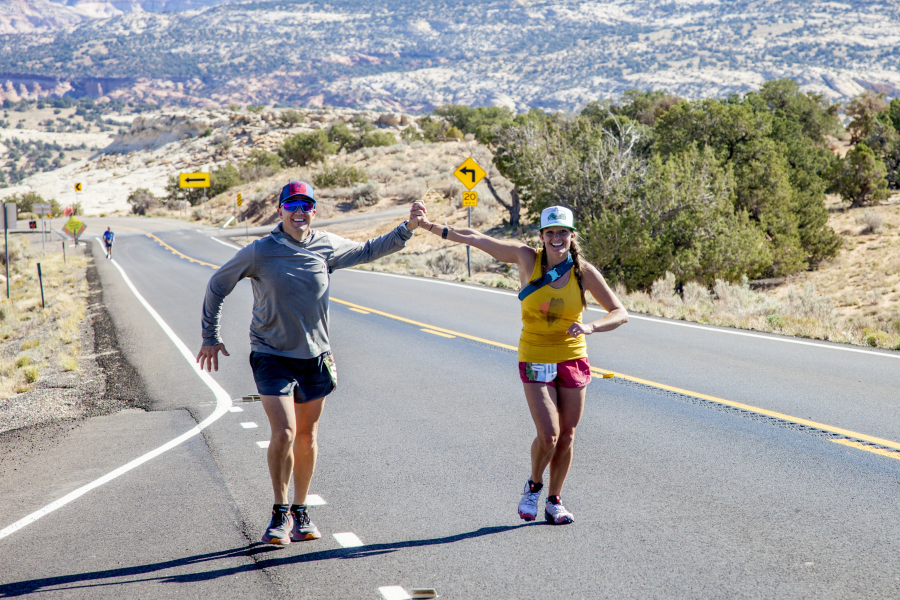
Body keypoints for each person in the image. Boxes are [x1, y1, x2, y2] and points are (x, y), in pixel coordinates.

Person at [197, 181, 425, 545]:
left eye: (306, 206)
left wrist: (406, 230)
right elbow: (218, 283)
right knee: (285, 432)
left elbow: (368, 250)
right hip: (271, 354)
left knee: (306, 436)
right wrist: (210, 336)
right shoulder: (260, 251)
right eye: (292, 205)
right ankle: (279, 512)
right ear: (280, 210)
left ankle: (301, 511)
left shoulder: (326, 245)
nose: (299, 212)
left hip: (315, 357)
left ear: (313, 211)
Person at [413, 204, 628, 524]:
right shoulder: (527, 258)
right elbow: (475, 237)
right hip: (535, 354)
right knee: (549, 435)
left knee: (567, 435)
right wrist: (430, 227)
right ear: (541, 236)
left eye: (563, 232)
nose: (557, 238)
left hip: (573, 356)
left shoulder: (584, 271)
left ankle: (554, 500)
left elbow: (620, 312)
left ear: (572, 235)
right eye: (550, 232)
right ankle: (534, 485)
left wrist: (590, 326)